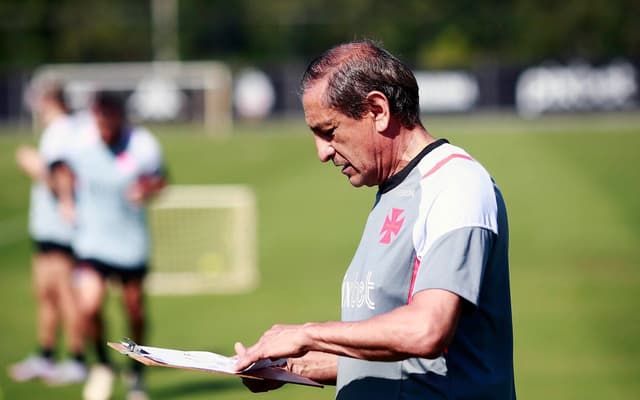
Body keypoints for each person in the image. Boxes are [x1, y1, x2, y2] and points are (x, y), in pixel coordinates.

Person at [234, 41, 516, 399]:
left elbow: (425, 330)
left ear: (377, 109)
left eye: (329, 131)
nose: (322, 153)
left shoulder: (455, 185)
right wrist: (292, 367)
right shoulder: (393, 190)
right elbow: (401, 360)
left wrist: (308, 333)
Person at [55, 91, 166, 400]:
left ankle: (137, 372)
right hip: (92, 240)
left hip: (130, 242)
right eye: (98, 122)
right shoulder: (81, 141)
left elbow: (161, 180)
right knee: (89, 305)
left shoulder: (143, 144)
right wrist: (66, 201)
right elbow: (62, 169)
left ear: (119, 118)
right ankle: (103, 365)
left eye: (108, 123)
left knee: (134, 309)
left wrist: (147, 190)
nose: (103, 129)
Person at [8, 83, 87, 385]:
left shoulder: (61, 132)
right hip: (47, 227)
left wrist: (33, 166)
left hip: (60, 228)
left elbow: (62, 178)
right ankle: (46, 355)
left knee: (66, 294)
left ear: (48, 101)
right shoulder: (63, 129)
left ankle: (77, 359)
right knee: (45, 293)